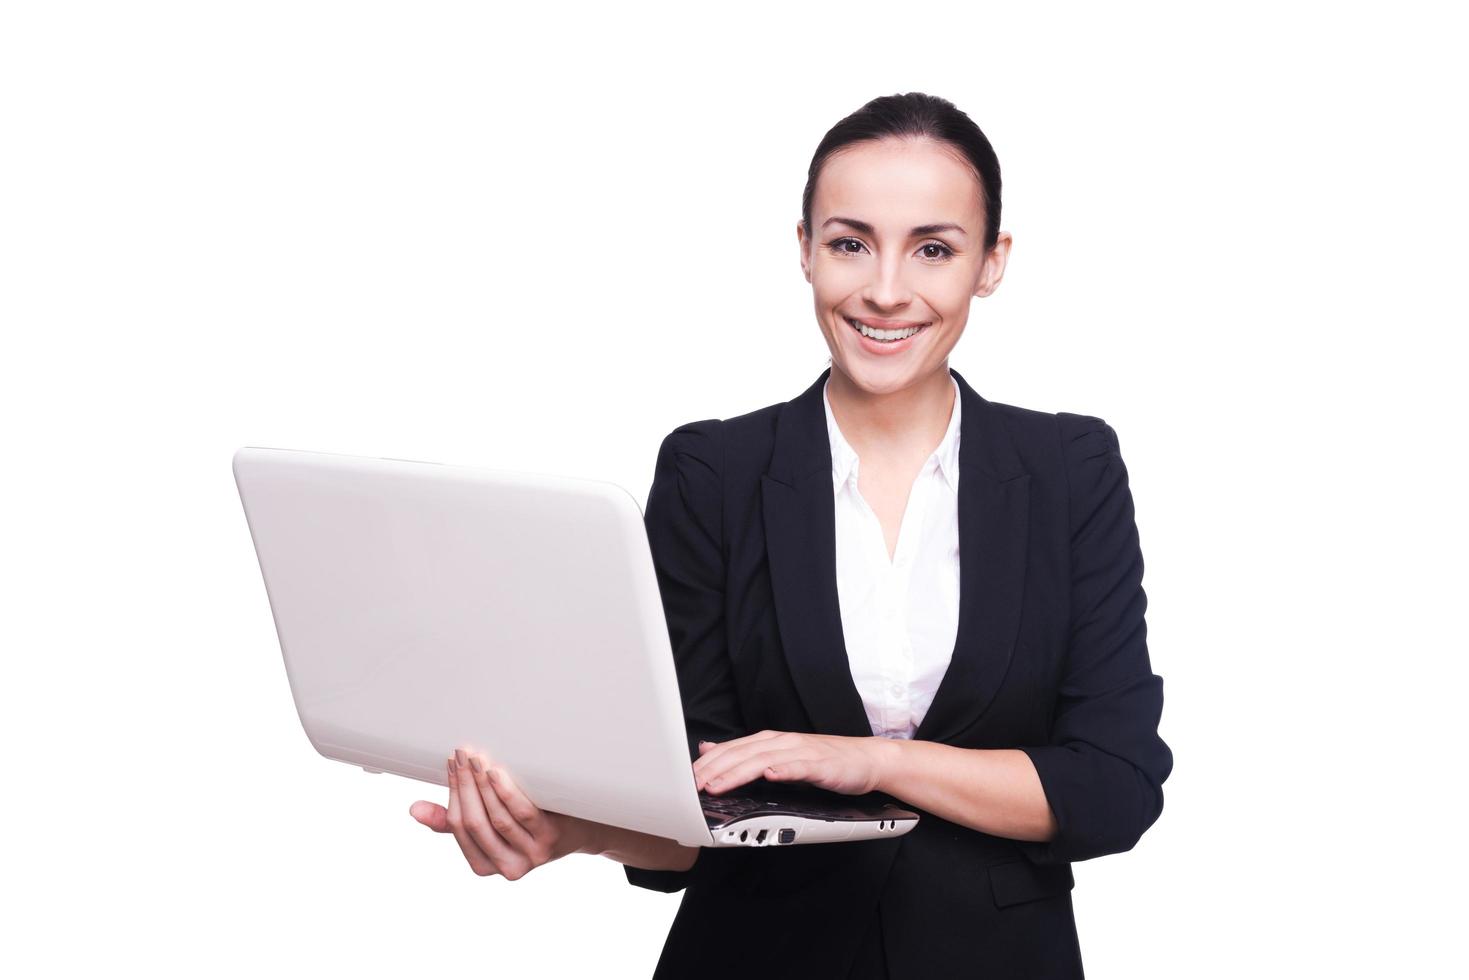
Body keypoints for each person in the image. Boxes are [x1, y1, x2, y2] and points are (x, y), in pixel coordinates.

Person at [409, 91, 1172, 979]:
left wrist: (871, 764)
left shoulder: (1068, 466)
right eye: (849, 243)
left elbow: (1111, 786)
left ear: (990, 263)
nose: (885, 290)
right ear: (804, 250)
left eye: (933, 249)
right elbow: (688, 800)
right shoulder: (714, 472)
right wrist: (565, 830)